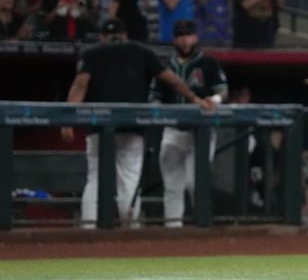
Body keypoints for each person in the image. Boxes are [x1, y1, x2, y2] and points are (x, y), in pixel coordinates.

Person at [61, 18, 211, 229]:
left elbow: (79, 86)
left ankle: (89, 228)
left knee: (95, 178)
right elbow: (172, 79)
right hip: (131, 127)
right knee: (129, 179)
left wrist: (68, 119)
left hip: (99, 126)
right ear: (125, 34)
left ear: (103, 36)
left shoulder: (93, 52)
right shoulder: (140, 51)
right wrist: (194, 98)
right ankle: (130, 229)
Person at [150, 20, 228, 228]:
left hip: (201, 131)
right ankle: (173, 230)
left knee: (195, 183)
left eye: (188, 35)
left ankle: (201, 227)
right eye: (181, 36)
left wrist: (216, 101)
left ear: (196, 37)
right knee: (172, 186)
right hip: (173, 130)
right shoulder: (165, 65)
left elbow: (222, 90)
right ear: (175, 39)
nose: (185, 40)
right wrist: (157, 107)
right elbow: (154, 95)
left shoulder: (209, 63)